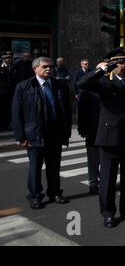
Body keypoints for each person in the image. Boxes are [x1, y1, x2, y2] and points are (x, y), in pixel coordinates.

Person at [77, 48, 125, 228]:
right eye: (118, 63)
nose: (123, 66)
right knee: (108, 178)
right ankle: (108, 212)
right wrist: (100, 69)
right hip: (110, 137)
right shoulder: (103, 81)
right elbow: (82, 84)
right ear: (111, 64)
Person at [11, 57, 71, 209]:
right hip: (35, 134)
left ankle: (55, 192)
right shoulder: (24, 86)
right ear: (35, 69)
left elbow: (67, 112)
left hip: (55, 133)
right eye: (45, 67)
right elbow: (17, 114)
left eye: (50, 67)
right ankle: (35, 196)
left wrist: (66, 133)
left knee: (54, 166)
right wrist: (20, 137)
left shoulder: (59, 86)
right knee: (35, 168)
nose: (49, 69)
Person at [0, 51, 16, 131]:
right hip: (2, 92)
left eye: (10, 58)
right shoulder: (1, 67)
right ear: (3, 59)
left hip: (11, 92)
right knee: (2, 109)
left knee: (9, 109)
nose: (8, 59)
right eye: (6, 58)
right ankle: (2, 125)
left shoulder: (13, 67)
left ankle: (8, 124)